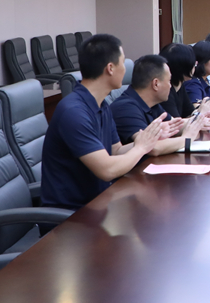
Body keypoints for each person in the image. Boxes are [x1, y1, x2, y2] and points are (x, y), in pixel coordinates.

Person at [41, 34, 165, 210]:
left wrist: (149, 138)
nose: (125, 69)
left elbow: (116, 151)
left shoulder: (102, 104)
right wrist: (140, 148)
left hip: (100, 203)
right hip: (72, 215)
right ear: (110, 68)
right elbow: (107, 170)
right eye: (122, 62)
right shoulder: (73, 112)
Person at [111, 54, 206, 156]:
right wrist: (186, 139)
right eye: (169, 81)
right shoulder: (125, 108)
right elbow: (151, 147)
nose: (170, 86)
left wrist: (199, 121)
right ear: (156, 84)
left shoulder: (152, 103)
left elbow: (175, 125)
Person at [159, 43, 197, 118]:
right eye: (193, 64)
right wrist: (199, 114)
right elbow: (176, 122)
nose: (195, 66)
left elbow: (189, 112)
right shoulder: (165, 90)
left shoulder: (179, 84)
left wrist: (199, 112)